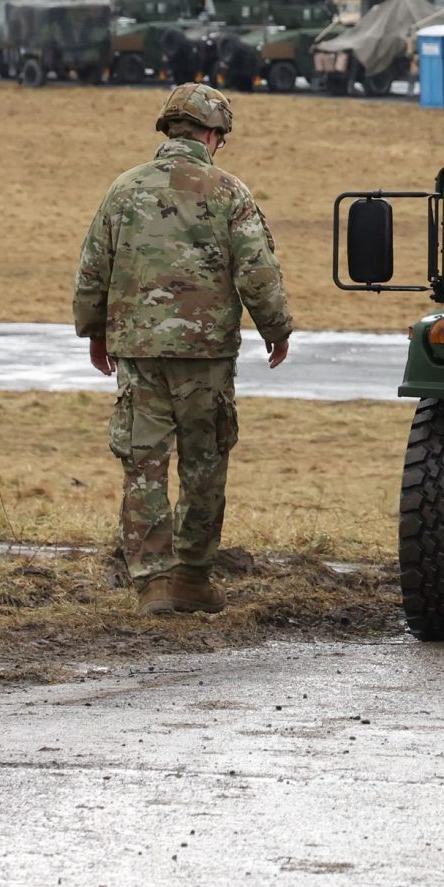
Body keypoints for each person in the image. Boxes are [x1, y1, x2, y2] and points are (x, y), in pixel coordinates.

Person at [73, 84, 294, 616]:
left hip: (139, 350)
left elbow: (93, 268)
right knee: (204, 462)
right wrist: (276, 327)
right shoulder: (228, 191)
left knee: (143, 463)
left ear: (169, 130)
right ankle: (192, 578)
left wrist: (95, 332)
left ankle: (151, 582)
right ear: (214, 135)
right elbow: (257, 271)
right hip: (205, 355)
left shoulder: (123, 189)